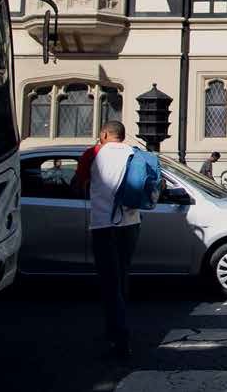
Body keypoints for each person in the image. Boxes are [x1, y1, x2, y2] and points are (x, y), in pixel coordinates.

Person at [72, 120, 141, 359]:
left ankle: (119, 338)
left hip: (104, 224)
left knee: (110, 282)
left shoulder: (92, 154)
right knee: (122, 274)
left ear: (103, 134)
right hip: (131, 223)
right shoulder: (134, 152)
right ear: (122, 135)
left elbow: (77, 185)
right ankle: (119, 323)